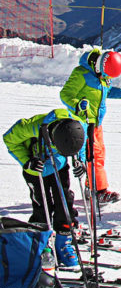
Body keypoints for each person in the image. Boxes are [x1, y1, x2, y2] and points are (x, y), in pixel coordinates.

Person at [4, 108, 88, 267]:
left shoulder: (78, 125)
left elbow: (83, 142)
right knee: (42, 204)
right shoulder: (33, 126)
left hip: (59, 165)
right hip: (36, 168)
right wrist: (26, 160)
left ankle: (63, 241)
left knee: (64, 201)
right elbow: (10, 139)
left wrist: (81, 161)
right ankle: (41, 243)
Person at [59, 48, 121, 205]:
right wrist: (78, 106)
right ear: (98, 66)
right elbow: (65, 94)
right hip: (82, 122)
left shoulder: (103, 73)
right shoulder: (81, 74)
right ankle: (99, 191)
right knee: (92, 156)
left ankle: (93, 187)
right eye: (105, 74)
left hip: (96, 123)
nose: (106, 78)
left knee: (99, 155)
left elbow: (107, 91)